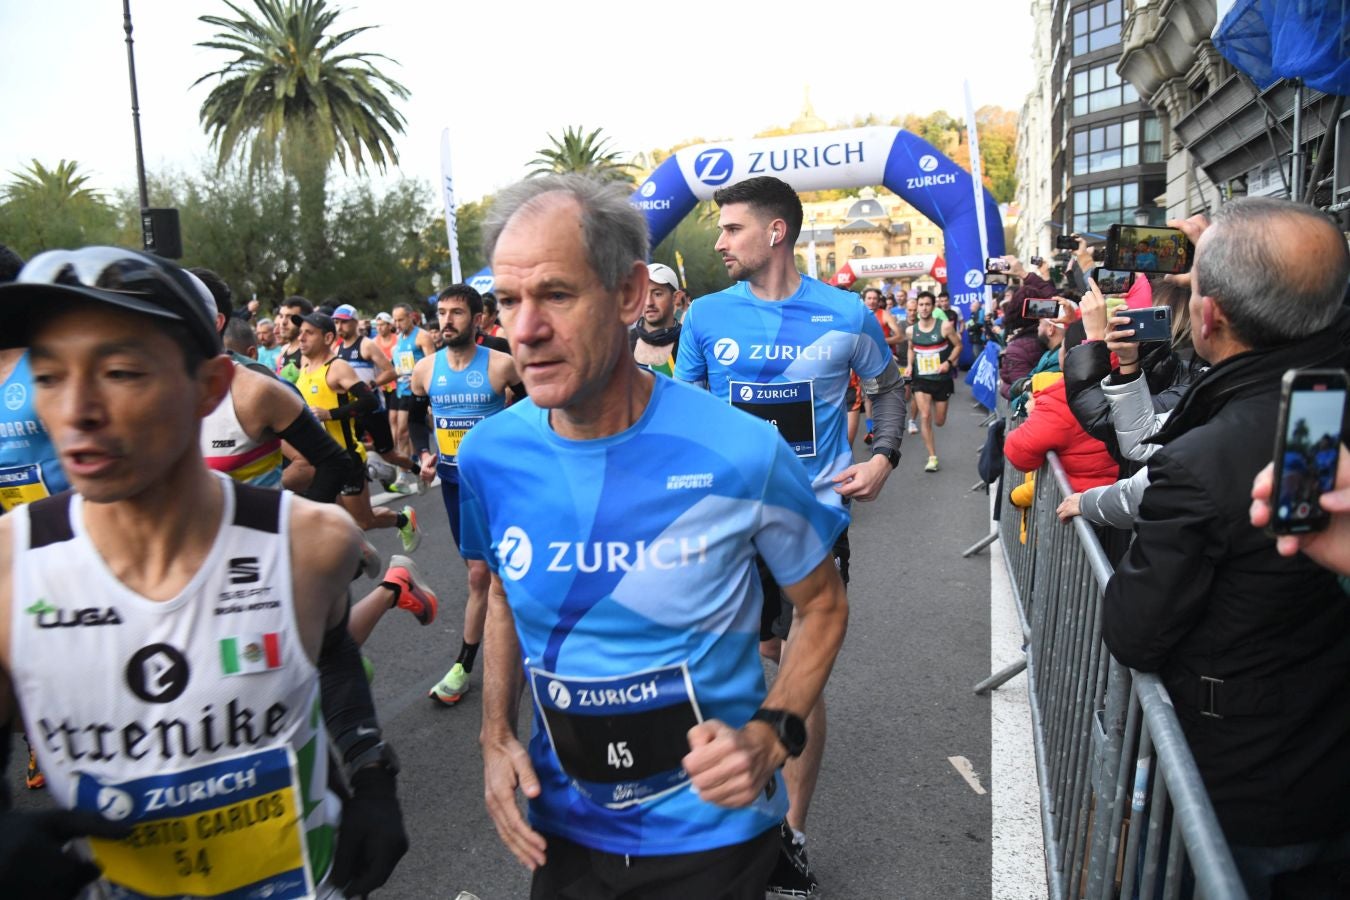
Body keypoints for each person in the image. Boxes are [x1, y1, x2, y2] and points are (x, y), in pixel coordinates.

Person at [467, 172, 849, 900]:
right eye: (507, 302)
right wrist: (494, 734)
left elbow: (824, 605)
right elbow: (505, 600)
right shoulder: (490, 455)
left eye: (554, 294)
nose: (524, 330)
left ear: (631, 295)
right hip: (563, 826)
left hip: (712, 837)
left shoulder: (741, 452)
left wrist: (772, 736)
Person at [0, 246, 408, 899]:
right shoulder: (10, 570)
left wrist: (371, 774)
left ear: (209, 387)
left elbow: (330, 658)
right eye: (48, 377)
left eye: (120, 372)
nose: (76, 410)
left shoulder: (311, 543)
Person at [1100, 198, 1350, 898]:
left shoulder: (1204, 461)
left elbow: (1133, 629)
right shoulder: (1305, 412)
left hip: (1248, 788)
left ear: (1208, 318)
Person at [675, 174, 904, 898]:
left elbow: (891, 389)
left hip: (812, 520)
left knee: (799, 675)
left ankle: (792, 835)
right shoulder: (706, 317)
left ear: (776, 232)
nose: (719, 242)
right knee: (752, 660)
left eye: (732, 228)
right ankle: (727, 807)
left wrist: (883, 458)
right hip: (727, 527)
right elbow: (679, 416)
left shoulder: (845, 313)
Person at [409, 284, 523, 707]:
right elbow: (417, 419)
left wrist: (508, 441)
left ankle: (464, 664)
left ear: (477, 319)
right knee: (480, 572)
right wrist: (423, 452)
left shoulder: (502, 365)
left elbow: (534, 410)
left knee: (486, 574)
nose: (447, 321)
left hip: (496, 483)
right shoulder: (426, 370)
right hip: (455, 484)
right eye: (442, 312)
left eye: (457, 312)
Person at [295, 311, 422, 552]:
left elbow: (369, 401)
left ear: (328, 337)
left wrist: (329, 414)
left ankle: (403, 519)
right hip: (320, 461)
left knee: (363, 520)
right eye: (301, 333)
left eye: (308, 333)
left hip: (346, 458)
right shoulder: (303, 366)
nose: (301, 338)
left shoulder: (337, 367)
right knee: (332, 520)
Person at [1003, 321, 1117, 491]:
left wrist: (1035, 413)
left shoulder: (1061, 398)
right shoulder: (1132, 379)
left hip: (1085, 502)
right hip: (1125, 498)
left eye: (1062, 346)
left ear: (1070, 354)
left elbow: (1019, 453)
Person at [331, 303, 416, 489]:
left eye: (343, 322)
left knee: (389, 453)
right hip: (352, 410)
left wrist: (371, 384)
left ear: (354, 323)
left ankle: (418, 471)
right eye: (336, 323)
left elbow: (391, 372)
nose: (339, 327)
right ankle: (366, 485)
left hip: (372, 407)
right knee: (349, 450)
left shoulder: (367, 345)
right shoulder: (337, 351)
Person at [907, 291, 963, 472]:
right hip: (921, 379)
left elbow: (959, 345)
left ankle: (933, 408)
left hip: (941, 379)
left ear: (933, 306)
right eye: (921, 304)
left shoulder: (945, 326)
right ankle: (932, 457)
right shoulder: (911, 330)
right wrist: (909, 365)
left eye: (927, 304)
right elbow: (911, 349)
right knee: (924, 416)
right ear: (917, 307)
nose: (924, 308)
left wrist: (948, 362)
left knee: (939, 421)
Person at [388, 302, 437, 494]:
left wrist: (422, 382)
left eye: (401, 319)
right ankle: (411, 471)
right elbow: (398, 365)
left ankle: (419, 466)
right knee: (401, 432)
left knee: (412, 430)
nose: (397, 324)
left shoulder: (422, 337)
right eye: (395, 320)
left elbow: (432, 363)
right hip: (402, 390)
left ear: (411, 317)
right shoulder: (399, 339)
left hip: (417, 392)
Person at [629, 262, 683, 375]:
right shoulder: (625, 341)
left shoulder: (689, 343)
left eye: (657, 294)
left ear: (676, 298)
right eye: (643, 294)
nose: (649, 302)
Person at [274, 295, 312, 382]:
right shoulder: (284, 350)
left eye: (290, 317)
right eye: (281, 316)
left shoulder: (308, 354)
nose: (283, 322)